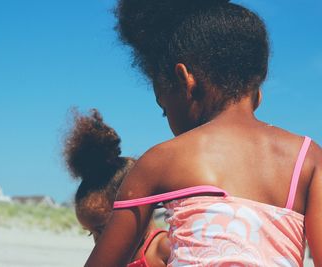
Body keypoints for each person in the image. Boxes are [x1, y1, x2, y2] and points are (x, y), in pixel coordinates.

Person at [84, 0, 322, 266]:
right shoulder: (307, 157)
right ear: (258, 95)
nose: (168, 120)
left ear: (185, 78)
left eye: (164, 109)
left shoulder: (160, 160)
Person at [63, 109, 170, 267]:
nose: (98, 242)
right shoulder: (111, 259)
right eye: (91, 232)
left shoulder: (163, 249)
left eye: (103, 229)